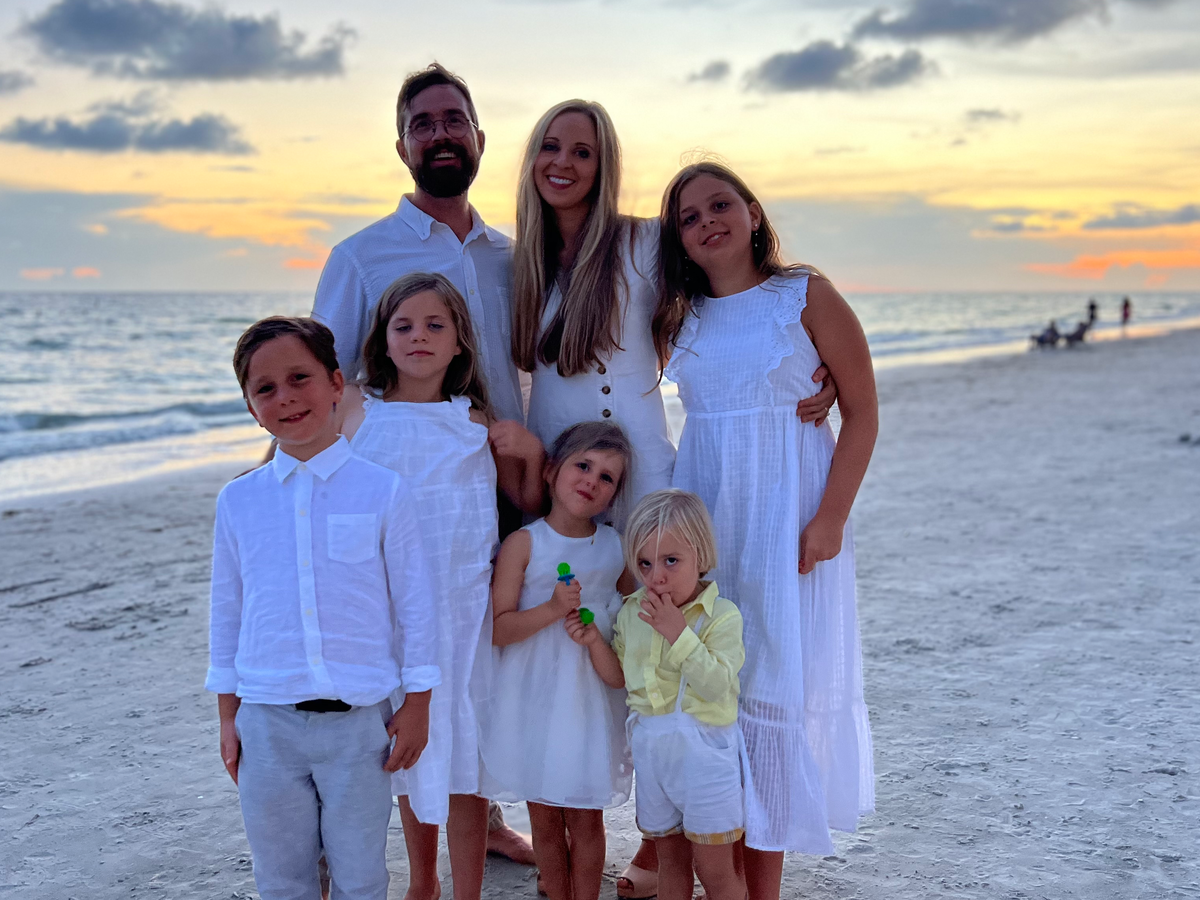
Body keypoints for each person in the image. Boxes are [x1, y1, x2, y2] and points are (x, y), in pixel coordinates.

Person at [310, 61, 536, 865]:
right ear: (402, 146)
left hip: (500, 477)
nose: (440, 135)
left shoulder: (515, 256)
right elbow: (323, 382)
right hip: (410, 497)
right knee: (405, 654)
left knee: (485, 661)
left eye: (453, 120)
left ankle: (487, 811)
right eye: (422, 124)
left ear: (479, 137)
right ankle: (359, 837)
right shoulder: (361, 256)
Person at [656, 162, 877, 900]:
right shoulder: (678, 317)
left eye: (721, 204)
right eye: (689, 217)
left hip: (788, 519)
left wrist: (831, 517)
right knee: (711, 692)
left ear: (753, 213)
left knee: (771, 692)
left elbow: (863, 411)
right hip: (708, 519)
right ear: (678, 240)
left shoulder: (803, 294)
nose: (708, 222)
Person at [511, 100, 838, 530]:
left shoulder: (644, 241)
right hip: (558, 480)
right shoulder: (514, 267)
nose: (563, 162)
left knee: (653, 573)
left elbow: (730, 296)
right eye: (550, 147)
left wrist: (809, 359)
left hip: (643, 475)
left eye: (583, 152)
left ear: (603, 167)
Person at [206, 317, 439, 900]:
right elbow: (227, 611)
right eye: (265, 389)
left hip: (358, 724)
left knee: (361, 876)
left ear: (336, 382)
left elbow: (415, 604)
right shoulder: (239, 501)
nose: (285, 397)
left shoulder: (383, 491)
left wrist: (418, 703)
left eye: (299, 378)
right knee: (282, 877)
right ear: (251, 408)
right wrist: (228, 716)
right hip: (266, 723)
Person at [330, 274, 544, 900]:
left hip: (463, 612)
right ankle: (422, 882)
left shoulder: (473, 420)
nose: (418, 337)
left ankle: (466, 890)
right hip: (387, 612)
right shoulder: (357, 411)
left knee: (464, 756)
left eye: (434, 326)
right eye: (403, 326)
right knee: (407, 750)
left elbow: (526, 502)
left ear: (459, 343)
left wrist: (530, 452)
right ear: (382, 340)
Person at [481, 422, 636, 900]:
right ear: (550, 472)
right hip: (534, 702)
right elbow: (499, 629)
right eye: (582, 465)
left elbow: (630, 622)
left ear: (614, 496)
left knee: (587, 819)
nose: (592, 480)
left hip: (589, 705)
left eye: (607, 477)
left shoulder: (614, 548)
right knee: (545, 821)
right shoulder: (524, 544)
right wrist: (552, 609)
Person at [569, 489, 747, 900]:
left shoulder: (720, 616)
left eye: (671, 561)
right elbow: (619, 678)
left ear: (700, 555)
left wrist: (677, 633)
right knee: (670, 862)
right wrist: (594, 641)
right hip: (653, 756)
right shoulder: (633, 612)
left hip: (706, 760)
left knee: (714, 869)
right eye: (645, 563)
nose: (656, 576)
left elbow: (717, 685)